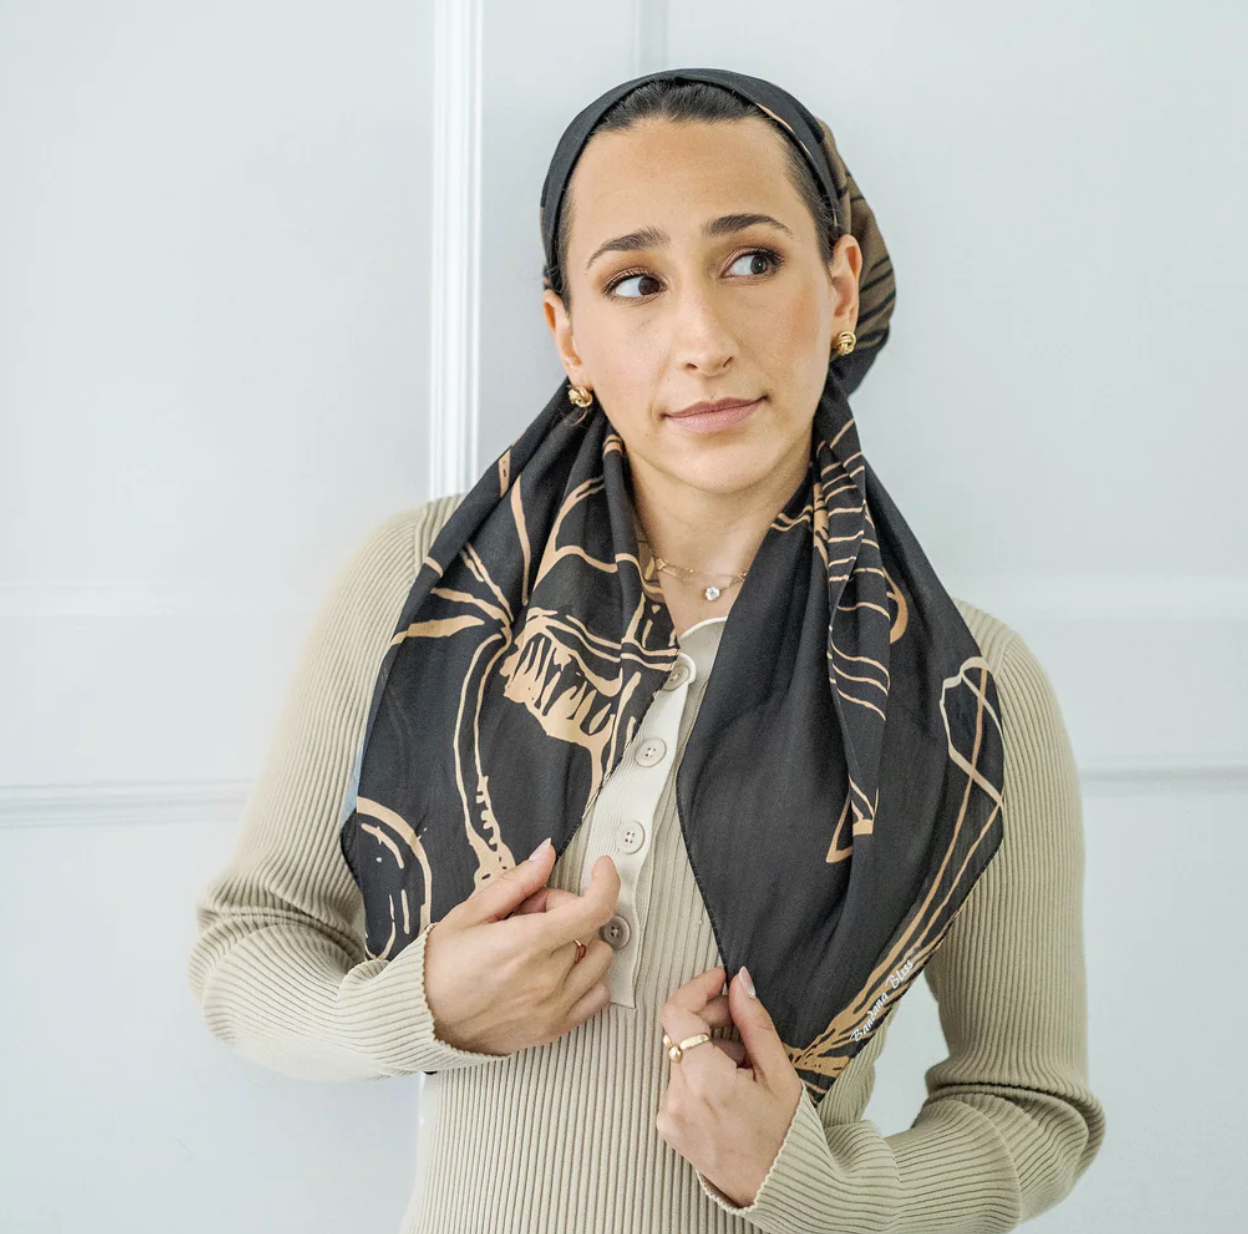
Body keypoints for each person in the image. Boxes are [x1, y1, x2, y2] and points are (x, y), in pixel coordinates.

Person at [188, 68, 1107, 1233]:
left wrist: (819, 1188)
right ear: (568, 334)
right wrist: (417, 1005)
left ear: (837, 285)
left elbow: (1031, 1106)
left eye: (752, 261)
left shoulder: (967, 683)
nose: (702, 339)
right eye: (636, 282)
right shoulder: (421, 584)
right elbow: (250, 945)